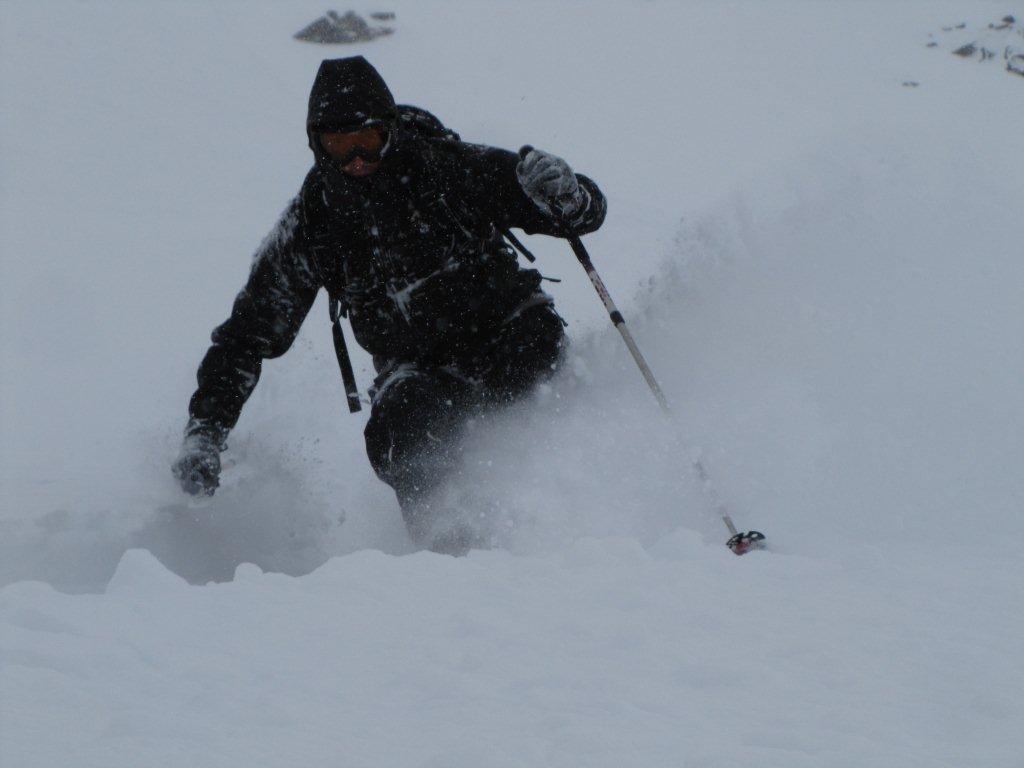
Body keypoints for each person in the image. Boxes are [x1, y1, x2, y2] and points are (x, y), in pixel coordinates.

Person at [172, 57, 607, 553]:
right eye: (340, 145)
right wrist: (206, 430)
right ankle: (447, 544)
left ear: (390, 131)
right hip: (416, 369)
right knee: (399, 427)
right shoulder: (314, 225)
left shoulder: (449, 167)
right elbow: (246, 337)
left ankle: (573, 519)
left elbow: (579, 215)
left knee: (532, 365)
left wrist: (567, 195)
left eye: (368, 140)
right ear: (317, 145)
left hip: (510, 331)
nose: (357, 158)